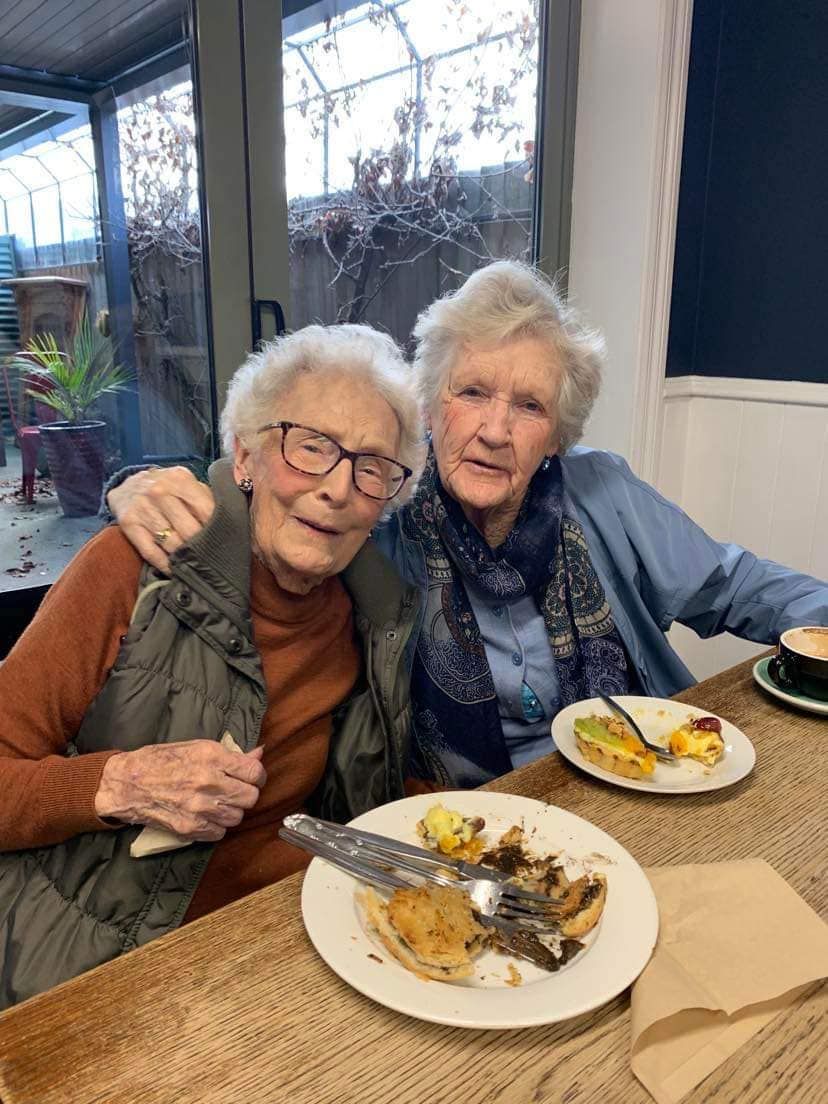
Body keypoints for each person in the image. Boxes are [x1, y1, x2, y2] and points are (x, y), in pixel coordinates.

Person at [107, 261, 828, 790]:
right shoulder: (379, 512)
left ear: (558, 435)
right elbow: (277, 483)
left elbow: (737, 585)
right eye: (472, 392)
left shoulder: (602, 491)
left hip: (647, 781)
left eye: (529, 407)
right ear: (429, 406)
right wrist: (138, 482)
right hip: (468, 817)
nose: (493, 430)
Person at [0, 323, 426, 1008]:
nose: (339, 487)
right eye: (311, 446)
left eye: (371, 466)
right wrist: (120, 784)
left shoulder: (374, 613)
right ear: (245, 457)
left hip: (288, 943)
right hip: (96, 957)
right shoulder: (131, 571)